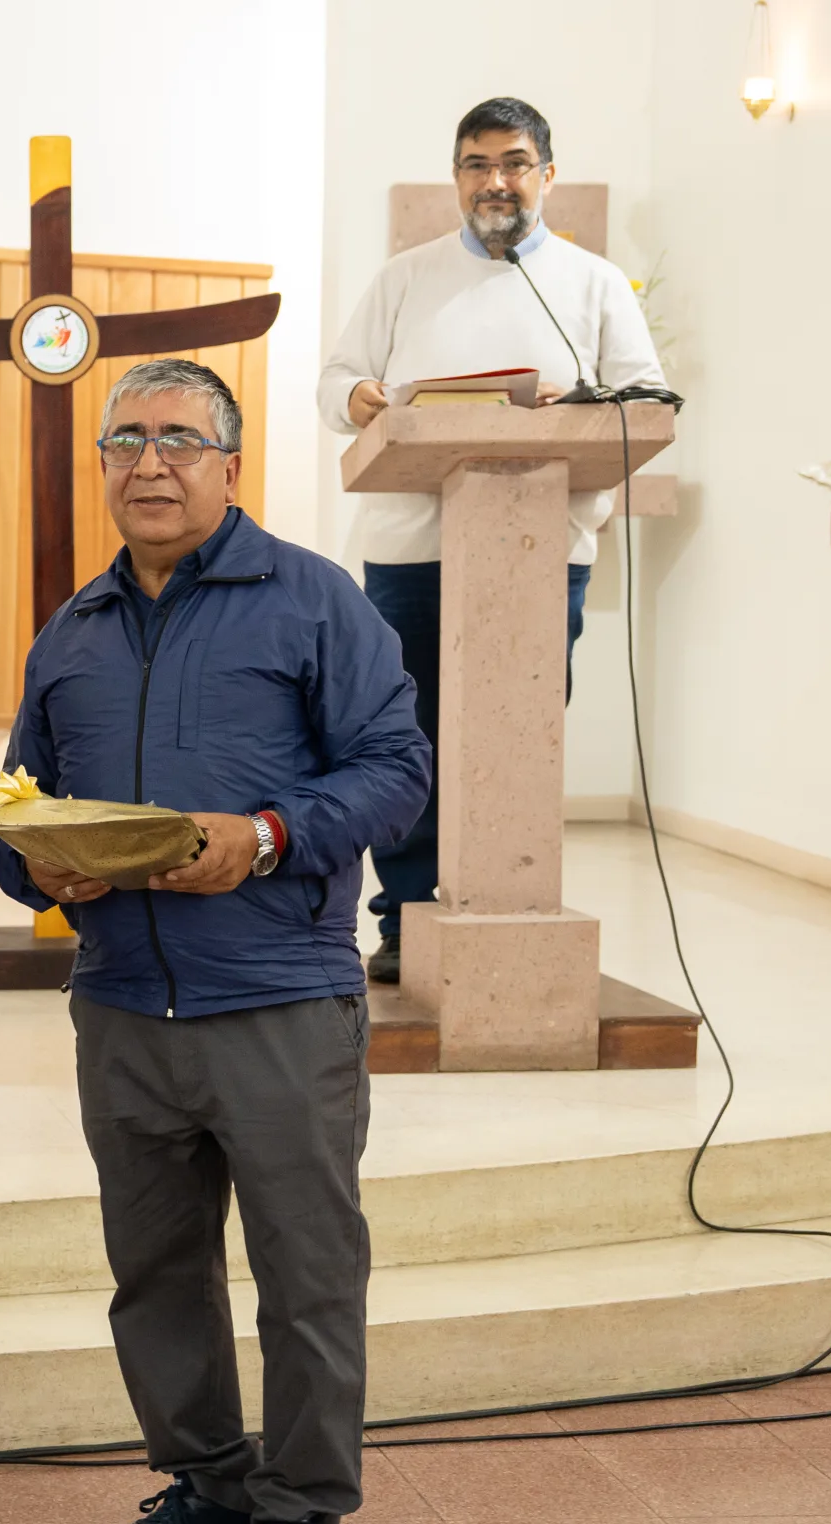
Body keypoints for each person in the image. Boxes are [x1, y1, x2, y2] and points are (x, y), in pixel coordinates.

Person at [0, 359, 429, 1524]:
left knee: (305, 1276)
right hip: (124, 1001)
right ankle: (210, 1486)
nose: (149, 463)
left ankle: (298, 1516)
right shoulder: (70, 630)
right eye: (123, 441)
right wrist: (35, 865)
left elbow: (397, 770)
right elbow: (19, 801)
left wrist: (272, 838)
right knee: (155, 1273)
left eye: (180, 438)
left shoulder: (314, 600)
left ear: (229, 463)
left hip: (277, 997)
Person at [319, 95, 664, 982]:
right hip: (410, 550)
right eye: (477, 164)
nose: (496, 181)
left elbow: (646, 400)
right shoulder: (406, 276)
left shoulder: (593, 284)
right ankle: (404, 919)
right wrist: (368, 403)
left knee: (517, 732)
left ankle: (512, 908)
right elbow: (338, 382)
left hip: (543, 552)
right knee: (409, 737)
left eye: (514, 163)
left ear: (547, 174)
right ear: (457, 177)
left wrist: (577, 410)